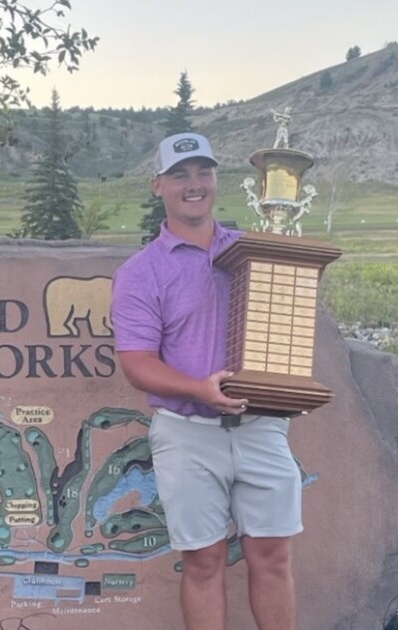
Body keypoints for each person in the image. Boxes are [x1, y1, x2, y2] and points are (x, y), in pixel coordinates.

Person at [110, 132, 303, 630]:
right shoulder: (140, 272)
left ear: (218, 180)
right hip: (187, 432)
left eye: (203, 172)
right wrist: (200, 389)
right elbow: (137, 363)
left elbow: (286, 327)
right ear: (158, 185)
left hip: (261, 428)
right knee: (202, 562)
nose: (193, 185)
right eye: (180, 175)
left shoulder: (256, 251)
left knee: (273, 557)